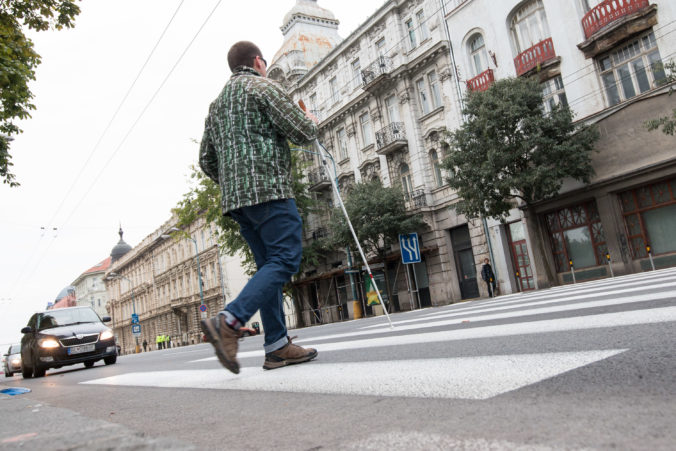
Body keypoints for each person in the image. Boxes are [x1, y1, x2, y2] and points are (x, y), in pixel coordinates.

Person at [199, 41, 318, 374]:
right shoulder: (262, 87)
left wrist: (233, 182)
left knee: (269, 267)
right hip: (270, 191)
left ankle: (277, 347)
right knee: (285, 259)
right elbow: (302, 131)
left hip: (237, 203)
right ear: (257, 61)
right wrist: (309, 116)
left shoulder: (217, 105)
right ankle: (229, 320)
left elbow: (206, 160)